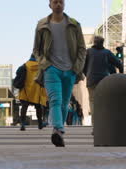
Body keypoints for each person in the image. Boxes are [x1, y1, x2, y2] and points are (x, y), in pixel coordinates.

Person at [33, 0, 87, 147]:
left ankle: (58, 133)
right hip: (51, 69)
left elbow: (82, 48)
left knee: (64, 103)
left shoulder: (74, 24)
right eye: (55, 2)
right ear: (50, 4)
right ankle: (58, 129)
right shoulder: (42, 25)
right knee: (55, 100)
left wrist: (77, 67)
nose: (58, 4)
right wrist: (45, 64)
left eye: (61, 2)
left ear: (64, 4)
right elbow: (36, 50)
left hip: (70, 70)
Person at [83, 36, 123, 129]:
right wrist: (121, 75)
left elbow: (82, 66)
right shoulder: (107, 53)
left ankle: (95, 127)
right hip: (104, 81)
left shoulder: (88, 52)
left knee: (93, 102)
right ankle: (105, 124)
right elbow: (119, 64)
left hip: (91, 80)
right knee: (104, 102)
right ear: (102, 43)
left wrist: (87, 74)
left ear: (94, 42)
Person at [18, 54, 48, 131]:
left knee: (24, 107)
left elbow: (18, 73)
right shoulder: (40, 67)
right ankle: (40, 124)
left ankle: (22, 124)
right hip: (36, 90)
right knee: (39, 108)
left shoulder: (24, 66)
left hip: (25, 90)